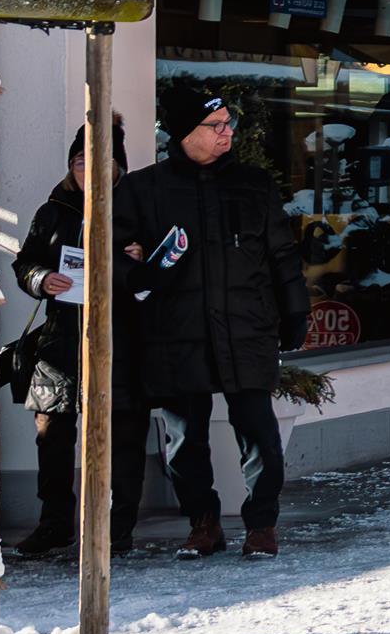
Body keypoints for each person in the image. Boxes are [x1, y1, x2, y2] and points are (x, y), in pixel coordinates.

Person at [117, 89, 308, 559]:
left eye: (229, 124)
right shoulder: (143, 189)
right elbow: (111, 255)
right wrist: (139, 271)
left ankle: (262, 524)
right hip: (174, 333)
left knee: (259, 431)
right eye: (216, 125)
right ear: (186, 133)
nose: (227, 133)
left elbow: (282, 255)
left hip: (245, 329)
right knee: (184, 441)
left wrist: (295, 311)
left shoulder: (254, 184)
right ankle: (203, 522)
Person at [7, 121, 130, 559]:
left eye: (100, 162)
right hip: (61, 340)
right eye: (81, 162)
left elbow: (159, 264)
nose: (89, 170)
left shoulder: (134, 205)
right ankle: (54, 524)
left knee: (118, 434)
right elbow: (25, 263)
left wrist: (131, 258)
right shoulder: (53, 209)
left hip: (121, 337)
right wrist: (42, 279)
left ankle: (116, 527)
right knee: (52, 435)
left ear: (118, 167)